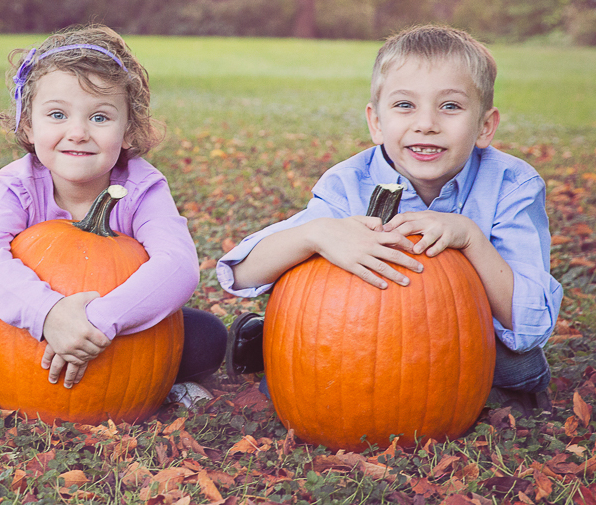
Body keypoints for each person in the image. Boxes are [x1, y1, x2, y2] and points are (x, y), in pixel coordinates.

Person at [218, 24, 559, 411]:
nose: (426, 123)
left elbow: (530, 324)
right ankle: (275, 342)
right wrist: (316, 234)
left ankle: (472, 395)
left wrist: (471, 238)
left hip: (468, 339)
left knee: (520, 365)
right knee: (307, 364)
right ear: (376, 123)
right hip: (361, 338)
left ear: (484, 126)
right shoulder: (350, 184)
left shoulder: (512, 186)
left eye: (450, 106)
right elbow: (241, 272)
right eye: (404, 105)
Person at [0, 25, 225, 406]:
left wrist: (96, 323)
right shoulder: (17, 187)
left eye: (100, 118)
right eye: (57, 115)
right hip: (31, 333)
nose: (78, 132)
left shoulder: (142, 187)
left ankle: (142, 380)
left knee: (205, 338)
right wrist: (49, 314)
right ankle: (7, 379)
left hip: (118, 335)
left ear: (129, 131)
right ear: (28, 126)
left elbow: (178, 265)